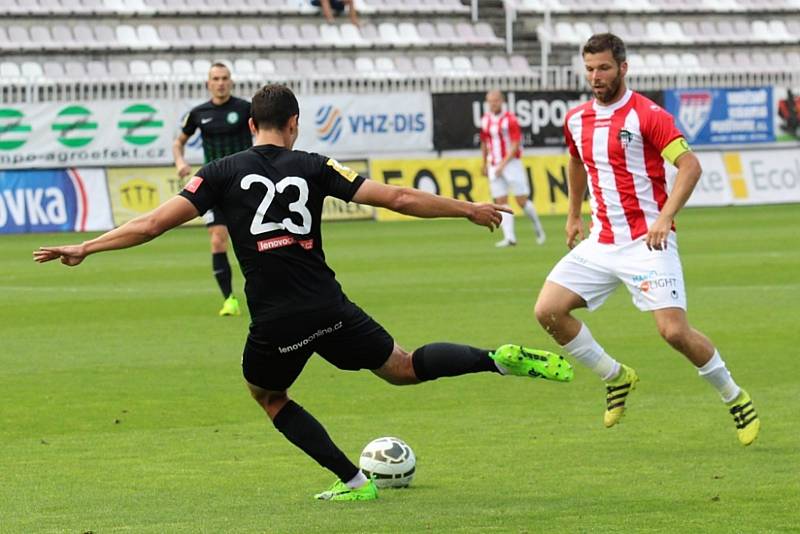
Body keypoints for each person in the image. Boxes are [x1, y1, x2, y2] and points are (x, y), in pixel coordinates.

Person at [35, 84, 574, 501]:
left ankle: (353, 480)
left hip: (277, 318)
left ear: (251, 124)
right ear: (293, 124)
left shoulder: (220, 172)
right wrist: (468, 208)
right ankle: (495, 359)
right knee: (402, 367)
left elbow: (151, 225)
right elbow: (399, 197)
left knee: (268, 396)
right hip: (329, 304)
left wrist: (88, 246)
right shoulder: (317, 166)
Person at [533, 33, 760, 446]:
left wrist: (666, 217)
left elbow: (689, 167)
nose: (596, 77)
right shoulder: (577, 119)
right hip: (602, 241)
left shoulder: (647, 115)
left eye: (603, 68)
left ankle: (735, 397)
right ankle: (615, 376)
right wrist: (572, 215)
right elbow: (576, 162)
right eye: (589, 69)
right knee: (548, 311)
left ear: (623, 67)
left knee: (674, 332)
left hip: (647, 242)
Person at [173, 62, 252, 317]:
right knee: (218, 240)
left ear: (231, 81)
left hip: (246, 184)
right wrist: (180, 162)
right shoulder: (198, 113)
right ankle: (229, 299)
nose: (220, 82)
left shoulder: (246, 109)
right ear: (208, 83)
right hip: (215, 187)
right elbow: (178, 143)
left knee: (254, 242)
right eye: (216, 78)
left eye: (225, 78)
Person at [480, 89, 546, 248]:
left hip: (511, 164)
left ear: (502, 101)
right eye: (490, 101)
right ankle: (510, 238)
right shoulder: (485, 120)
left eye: (495, 100)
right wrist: (484, 163)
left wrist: (503, 163)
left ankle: (538, 227)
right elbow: (484, 142)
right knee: (501, 202)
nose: (493, 104)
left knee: (521, 201)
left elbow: (516, 144)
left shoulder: (510, 120)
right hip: (494, 165)